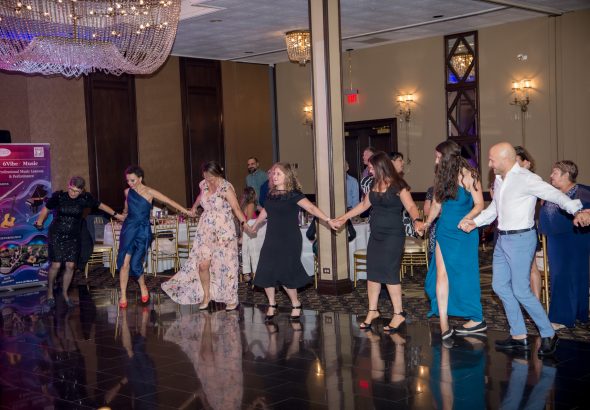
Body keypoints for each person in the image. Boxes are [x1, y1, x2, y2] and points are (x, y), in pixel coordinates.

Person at [461, 143, 583, 356]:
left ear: (506, 159)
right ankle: (519, 335)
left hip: (521, 239)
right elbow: (495, 208)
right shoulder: (499, 180)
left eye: (492, 160)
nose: (489, 164)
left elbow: (554, 194)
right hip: (502, 239)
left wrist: (577, 210)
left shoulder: (526, 178)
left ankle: (549, 333)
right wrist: (475, 222)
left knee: (520, 290)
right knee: (499, 286)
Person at [333, 151, 423, 331]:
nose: (369, 170)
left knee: (389, 273)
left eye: (371, 167)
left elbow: (411, 206)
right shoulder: (374, 185)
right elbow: (363, 206)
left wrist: (417, 220)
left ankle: (398, 313)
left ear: (380, 166)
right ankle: (372, 310)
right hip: (376, 235)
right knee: (373, 273)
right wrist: (343, 218)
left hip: (393, 236)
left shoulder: (398, 185)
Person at [248, 162, 335, 321]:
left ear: (287, 176)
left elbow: (311, 208)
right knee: (266, 270)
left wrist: (328, 220)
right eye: (273, 173)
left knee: (286, 271)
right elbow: (265, 211)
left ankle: (296, 304)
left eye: (278, 174)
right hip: (272, 238)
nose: (274, 176)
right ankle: (272, 304)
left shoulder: (294, 194)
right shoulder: (271, 194)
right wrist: (255, 225)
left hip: (289, 239)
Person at [162, 161, 248, 311]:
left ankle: (230, 299)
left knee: (225, 265)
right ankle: (206, 296)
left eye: (211, 177)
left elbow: (236, 208)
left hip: (223, 231)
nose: (208, 179)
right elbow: (200, 197)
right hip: (205, 230)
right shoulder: (204, 184)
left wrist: (244, 224)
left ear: (218, 174)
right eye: (206, 176)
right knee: (203, 264)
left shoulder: (226, 188)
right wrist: (194, 207)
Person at [422, 141, 485, 340]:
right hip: (445, 231)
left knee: (465, 274)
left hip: (464, 232)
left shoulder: (470, 175)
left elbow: (479, 204)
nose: (436, 161)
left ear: (448, 157)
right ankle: (444, 323)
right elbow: (436, 205)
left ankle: (475, 316)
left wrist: (467, 218)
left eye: (438, 157)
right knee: (441, 274)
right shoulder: (442, 176)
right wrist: (427, 223)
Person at [34, 176, 122, 308]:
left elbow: (101, 205)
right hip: (57, 234)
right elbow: (46, 208)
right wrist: (40, 222)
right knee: (56, 265)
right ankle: (50, 291)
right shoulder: (59, 197)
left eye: (76, 191)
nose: (73, 193)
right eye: (71, 189)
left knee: (70, 266)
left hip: (74, 236)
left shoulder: (84, 199)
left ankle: (65, 293)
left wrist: (117, 215)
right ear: (68, 186)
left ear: (82, 191)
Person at [118, 165, 192, 309]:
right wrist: (122, 214)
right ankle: (123, 295)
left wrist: (186, 211)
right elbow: (126, 209)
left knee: (135, 264)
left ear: (140, 178)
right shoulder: (127, 192)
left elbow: (169, 201)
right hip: (129, 230)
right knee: (124, 263)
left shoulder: (149, 192)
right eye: (128, 181)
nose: (130, 183)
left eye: (133, 180)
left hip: (142, 231)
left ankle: (142, 285)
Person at [538, 160, 590, 329]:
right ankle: (578, 313)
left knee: (566, 277)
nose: (551, 176)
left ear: (566, 175)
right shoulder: (553, 193)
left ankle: (561, 318)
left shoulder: (581, 191)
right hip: (557, 240)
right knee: (565, 276)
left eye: (555, 173)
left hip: (574, 239)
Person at [514, 145, 543, 300]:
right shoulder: (504, 179)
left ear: (526, 162)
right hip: (506, 229)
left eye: (516, 160)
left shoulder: (532, 180)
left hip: (525, 229)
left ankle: (535, 303)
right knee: (512, 270)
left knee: (531, 267)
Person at [240, 186, 264, 284]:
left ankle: (247, 275)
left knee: (247, 252)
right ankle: (253, 275)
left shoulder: (246, 205)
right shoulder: (251, 204)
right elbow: (249, 221)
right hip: (250, 231)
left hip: (247, 231)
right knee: (253, 253)